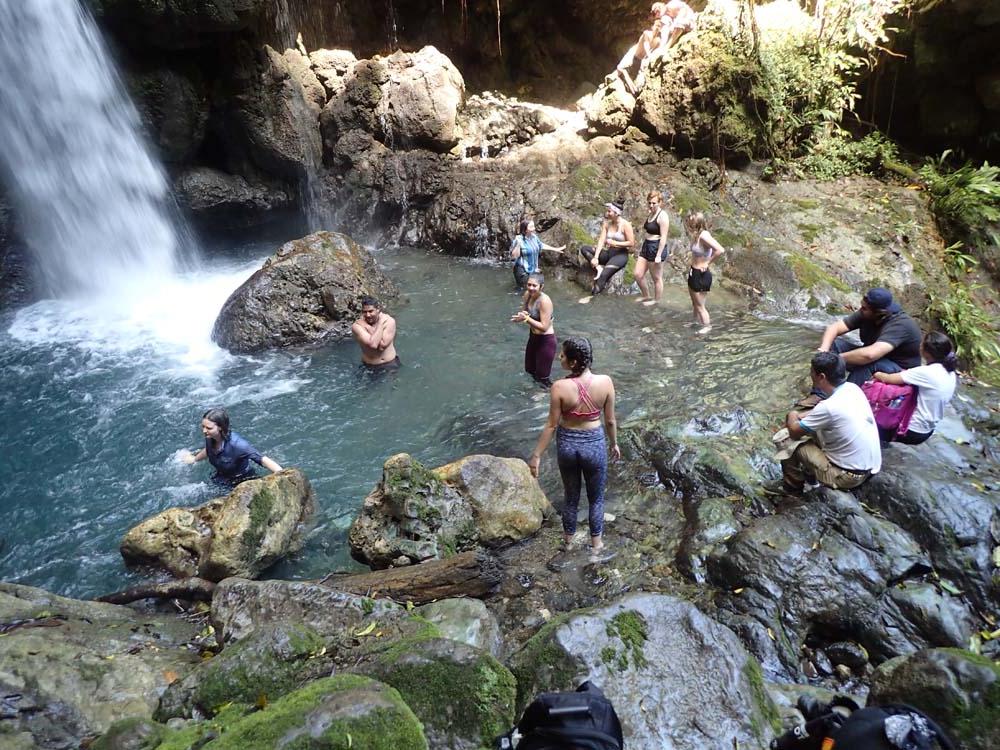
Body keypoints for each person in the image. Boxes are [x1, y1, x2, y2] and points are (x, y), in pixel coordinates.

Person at [528, 337, 620, 558]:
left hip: (568, 444)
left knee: (571, 498)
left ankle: (568, 544)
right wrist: (614, 443)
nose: (559, 357)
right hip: (594, 443)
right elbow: (610, 421)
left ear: (573, 361)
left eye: (563, 355)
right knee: (596, 499)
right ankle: (596, 546)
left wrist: (536, 455)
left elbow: (551, 425)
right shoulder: (606, 382)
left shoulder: (559, 387)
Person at [764, 352, 881, 496]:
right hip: (867, 467)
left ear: (821, 377)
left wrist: (792, 414)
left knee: (787, 439)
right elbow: (821, 414)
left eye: (812, 372)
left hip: (847, 477)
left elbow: (794, 431)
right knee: (811, 430)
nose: (810, 375)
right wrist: (800, 416)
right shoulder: (852, 389)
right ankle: (811, 479)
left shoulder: (828, 407)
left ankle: (792, 488)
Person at [817, 287, 922, 386]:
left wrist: (835, 358)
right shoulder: (866, 313)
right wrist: (824, 350)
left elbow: (870, 355)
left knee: (869, 364)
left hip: (899, 371)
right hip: (877, 359)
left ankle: (843, 397)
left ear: (879, 313)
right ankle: (821, 393)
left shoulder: (900, 324)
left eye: (864, 308)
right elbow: (834, 328)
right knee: (834, 344)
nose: (860, 310)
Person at [872, 331, 959, 445]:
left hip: (911, 430)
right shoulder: (950, 372)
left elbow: (888, 378)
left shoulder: (927, 372)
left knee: (867, 417)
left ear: (926, 352)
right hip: (927, 431)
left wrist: (876, 373)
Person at [182, 407, 283, 487]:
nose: (204, 430)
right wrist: (194, 459)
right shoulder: (210, 436)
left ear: (221, 427)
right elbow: (209, 450)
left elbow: (262, 459)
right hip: (221, 477)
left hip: (242, 481)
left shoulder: (238, 445)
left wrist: (282, 475)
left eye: (208, 428)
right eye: (203, 426)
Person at [579, 200, 635, 300]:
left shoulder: (625, 225)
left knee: (604, 275)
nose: (607, 213)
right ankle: (598, 268)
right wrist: (595, 257)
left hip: (620, 255)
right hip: (609, 252)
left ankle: (591, 297)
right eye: (607, 211)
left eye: (609, 211)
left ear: (616, 213)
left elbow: (631, 243)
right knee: (584, 249)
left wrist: (616, 243)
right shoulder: (607, 224)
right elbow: (601, 240)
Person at [511, 272, 557, 388]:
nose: (531, 288)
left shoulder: (544, 301)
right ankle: (534, 393)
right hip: (533, 337)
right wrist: (521, 316)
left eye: (534, 286)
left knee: (543, 377)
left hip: (546, 341)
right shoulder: (527, 295)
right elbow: (525, 311)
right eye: (529, 285)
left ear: (541, 287)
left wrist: (526, 319)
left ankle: (545, 397)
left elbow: (544, 326)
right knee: (530, 370)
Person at [684, 211, 726, 334]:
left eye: (691, 222)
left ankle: (707, 326)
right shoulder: (696, 235)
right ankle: (695, 322)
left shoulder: (704, 236)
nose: (689, 224)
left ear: (697, 224)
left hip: (701, 274)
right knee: (695, 303)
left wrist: (708, 263)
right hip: (694, 271)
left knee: (700, 306)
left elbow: (720, 250)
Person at [613, 3, 669, 94]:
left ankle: (633, 88)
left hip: (641, 59)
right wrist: (650, 56)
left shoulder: (658, 40)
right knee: (619, 68)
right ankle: (623, 78)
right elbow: (647, 46)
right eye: (656, 26)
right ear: (652, 26)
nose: (657, 28)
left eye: (659, 27)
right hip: (634, 53)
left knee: (639, 80)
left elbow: (657, 49)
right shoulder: (647, 33)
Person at [635, 190, 671, 305]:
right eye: (649, 203)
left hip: (656, 248)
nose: (651, 205)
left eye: (654, 203)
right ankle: (646, 296)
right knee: (638, 274)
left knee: (656, 278)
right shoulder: (650, 213)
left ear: (660, 202)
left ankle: (656, 301)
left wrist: (659, 255)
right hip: (646, 246)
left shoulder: (663, 216)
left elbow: (664, 237)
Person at [510, 218, 566, 288]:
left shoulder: (534, 237)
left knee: (538, 287)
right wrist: (518, 244)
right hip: (522, 270)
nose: (534, 229)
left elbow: (541, 245)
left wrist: (555, 249)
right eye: (531, 227)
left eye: (533, 226)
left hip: (533, 269)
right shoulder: (519, 239)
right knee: (525, 290)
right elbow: (514, 256)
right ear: (525, 229)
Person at [351, 295, 399, 370]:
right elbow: (373, 344)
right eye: (364, 312)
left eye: (371, 311)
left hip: (391, 363)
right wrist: (380, 324)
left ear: (378, 309)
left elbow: (382, 346)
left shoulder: (389, 321)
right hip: (370, 366)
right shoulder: (357, 326)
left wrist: (367, 327)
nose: (368, 315)